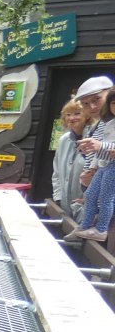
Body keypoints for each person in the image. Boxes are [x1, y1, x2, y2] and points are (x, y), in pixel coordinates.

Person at [73, 84, 115, 239]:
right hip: (104, 170)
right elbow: (96, 156)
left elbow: (102, 148)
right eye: (85, 103)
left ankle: (100, 228)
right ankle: (86, 225)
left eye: (97, 99)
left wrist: (100, 146)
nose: (92, 106)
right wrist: (89, 172)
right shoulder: (103, 124)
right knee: (92, 194)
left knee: (106, 198)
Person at [52, 98, 86, 219]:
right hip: (65, 208)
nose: (72, 118)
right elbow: (56, 172)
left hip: (86, 208)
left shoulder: (95, 139)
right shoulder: (63, 140)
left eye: (77, 113)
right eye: (68, 114)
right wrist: (58, 197)